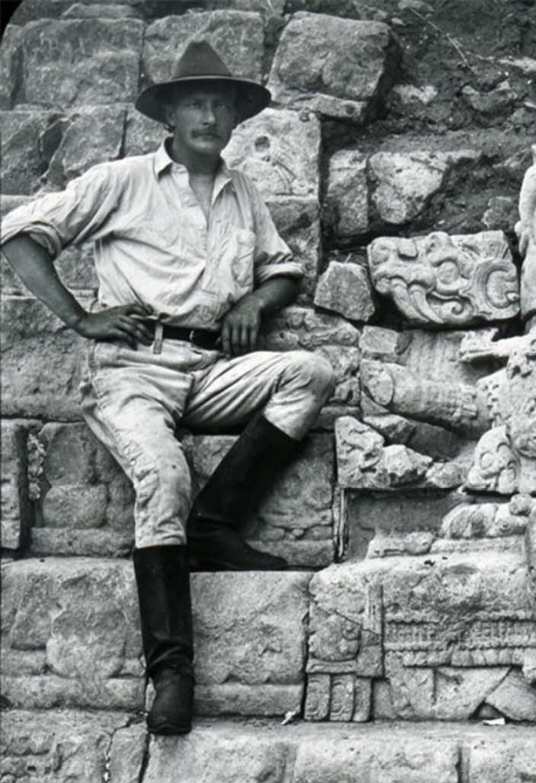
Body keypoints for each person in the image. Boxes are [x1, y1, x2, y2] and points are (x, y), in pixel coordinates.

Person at [0, 41, 335, 735]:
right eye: (196, 103)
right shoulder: (123, 180)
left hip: (211, 370)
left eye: (222, 104)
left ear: (238, 118)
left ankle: (215, 528)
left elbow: (282, 270)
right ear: (173, 115)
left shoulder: (242, 192)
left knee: (310, 374)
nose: (210, 115)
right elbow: (20, 236)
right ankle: (172, 672)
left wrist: (257, 303)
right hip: (134, 370)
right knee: (163, 475)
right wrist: (80, 317)